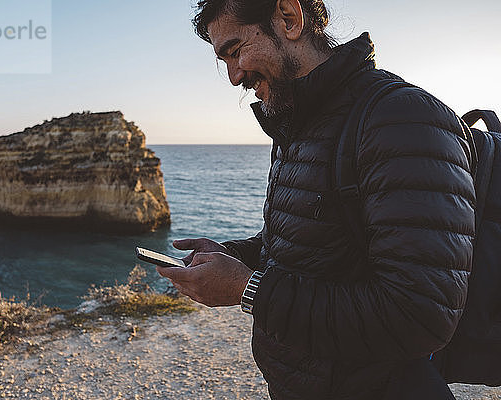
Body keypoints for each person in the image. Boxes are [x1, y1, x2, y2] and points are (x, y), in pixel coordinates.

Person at [156, 0, 475, 399]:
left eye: (235, 51)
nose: (234, 75)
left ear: (289, 18)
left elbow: (419, 315)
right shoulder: (295, 123)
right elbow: (308, 243)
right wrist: (232, 255)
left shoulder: (401, 117)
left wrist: (245, 288)